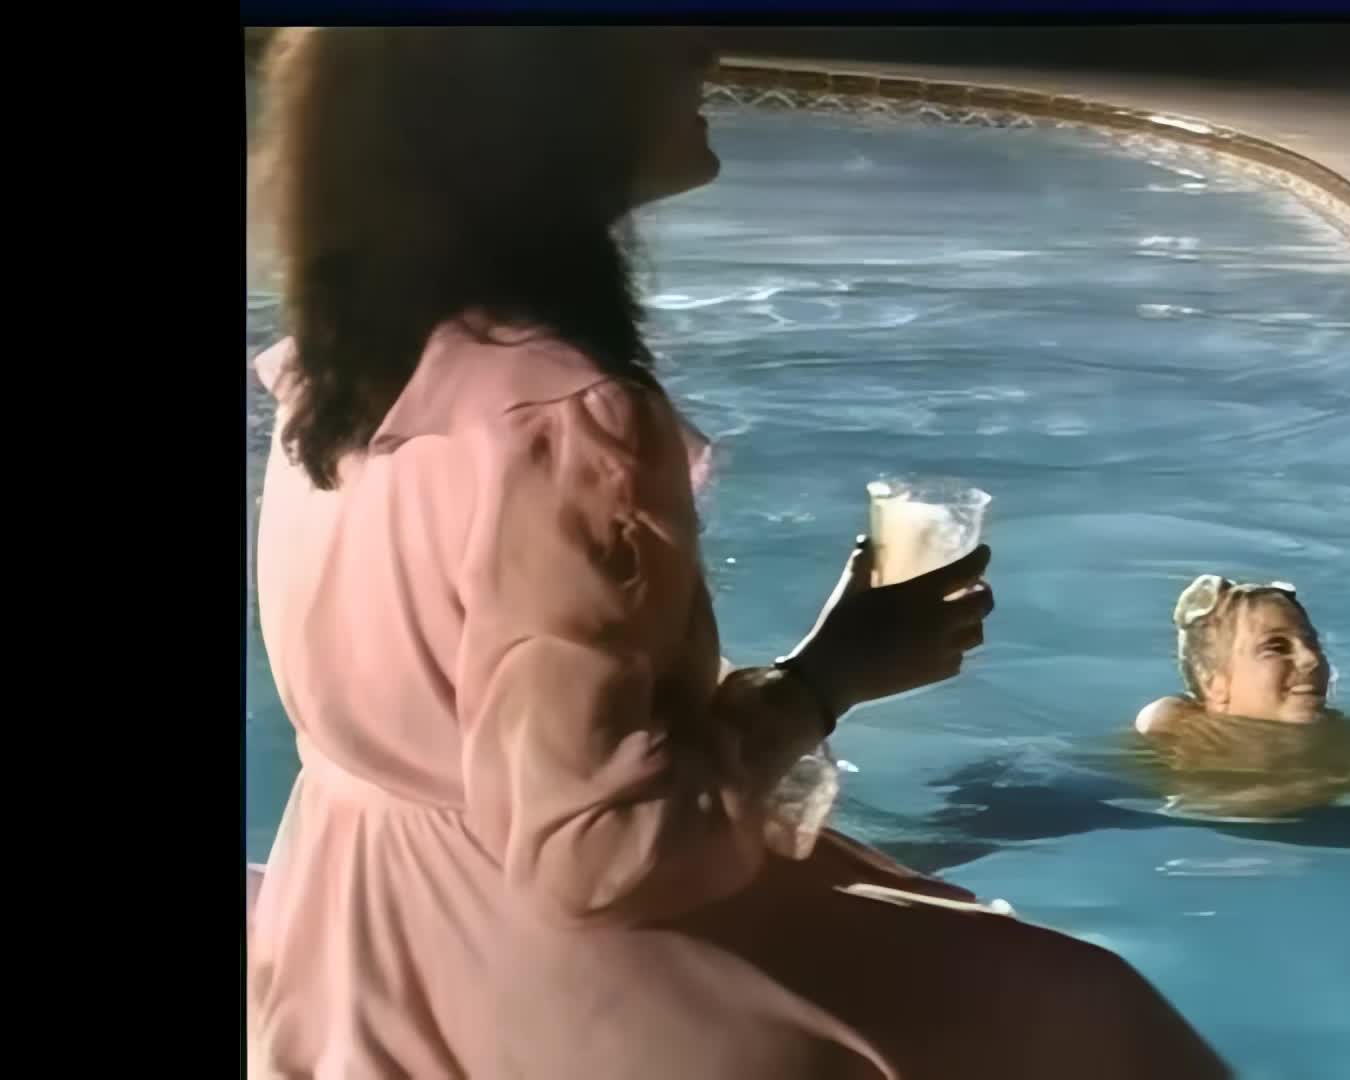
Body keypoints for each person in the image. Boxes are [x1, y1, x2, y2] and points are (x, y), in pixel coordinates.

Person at [247, 28, 1223, 1080]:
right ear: (551, 102)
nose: (704, 49)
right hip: (543, 990)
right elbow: (596, 852)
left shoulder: (343, 375)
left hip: (350, 946)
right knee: (1087, 1019)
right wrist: (825, 681)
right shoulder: (569, 424)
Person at [1133, 576, 1350, 818]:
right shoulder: (1179, 725)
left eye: (1313, 644)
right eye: (1277, 647)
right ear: (1215, 683)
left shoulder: (1347, 737)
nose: (1311, 659)